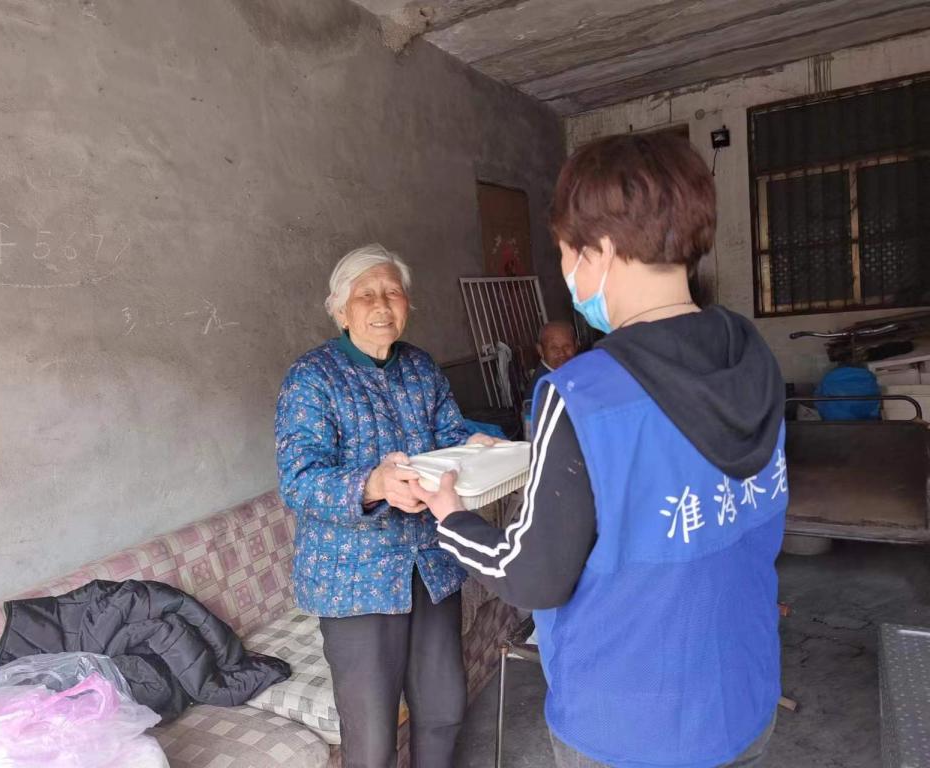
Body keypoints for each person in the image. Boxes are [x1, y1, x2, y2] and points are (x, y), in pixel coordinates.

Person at [408, 134, 787, 768]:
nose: (568, 275)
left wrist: (451, 518)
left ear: (601, 250)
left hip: (629, 723)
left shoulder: (585, 392)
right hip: (745, 694)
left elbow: (534, 576)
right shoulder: (752, 356)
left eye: (565, 254)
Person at [274, 244, 495, 768]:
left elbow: (447, 435)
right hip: (355, 580)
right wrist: (371, 484)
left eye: (392, 292)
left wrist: (472, 443)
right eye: (366, 295)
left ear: (407, 304)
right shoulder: (312, 378)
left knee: (443, 709)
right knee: (372, 739)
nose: (381, 305)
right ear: (340, 310)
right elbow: (299, 480)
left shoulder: (420, 367)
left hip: (430, 565)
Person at [525, 321, 577, 399]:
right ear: (540, 350)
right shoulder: (543, 389)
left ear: (576, 345)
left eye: (567, 346)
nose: (562, 353)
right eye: (554, 348)